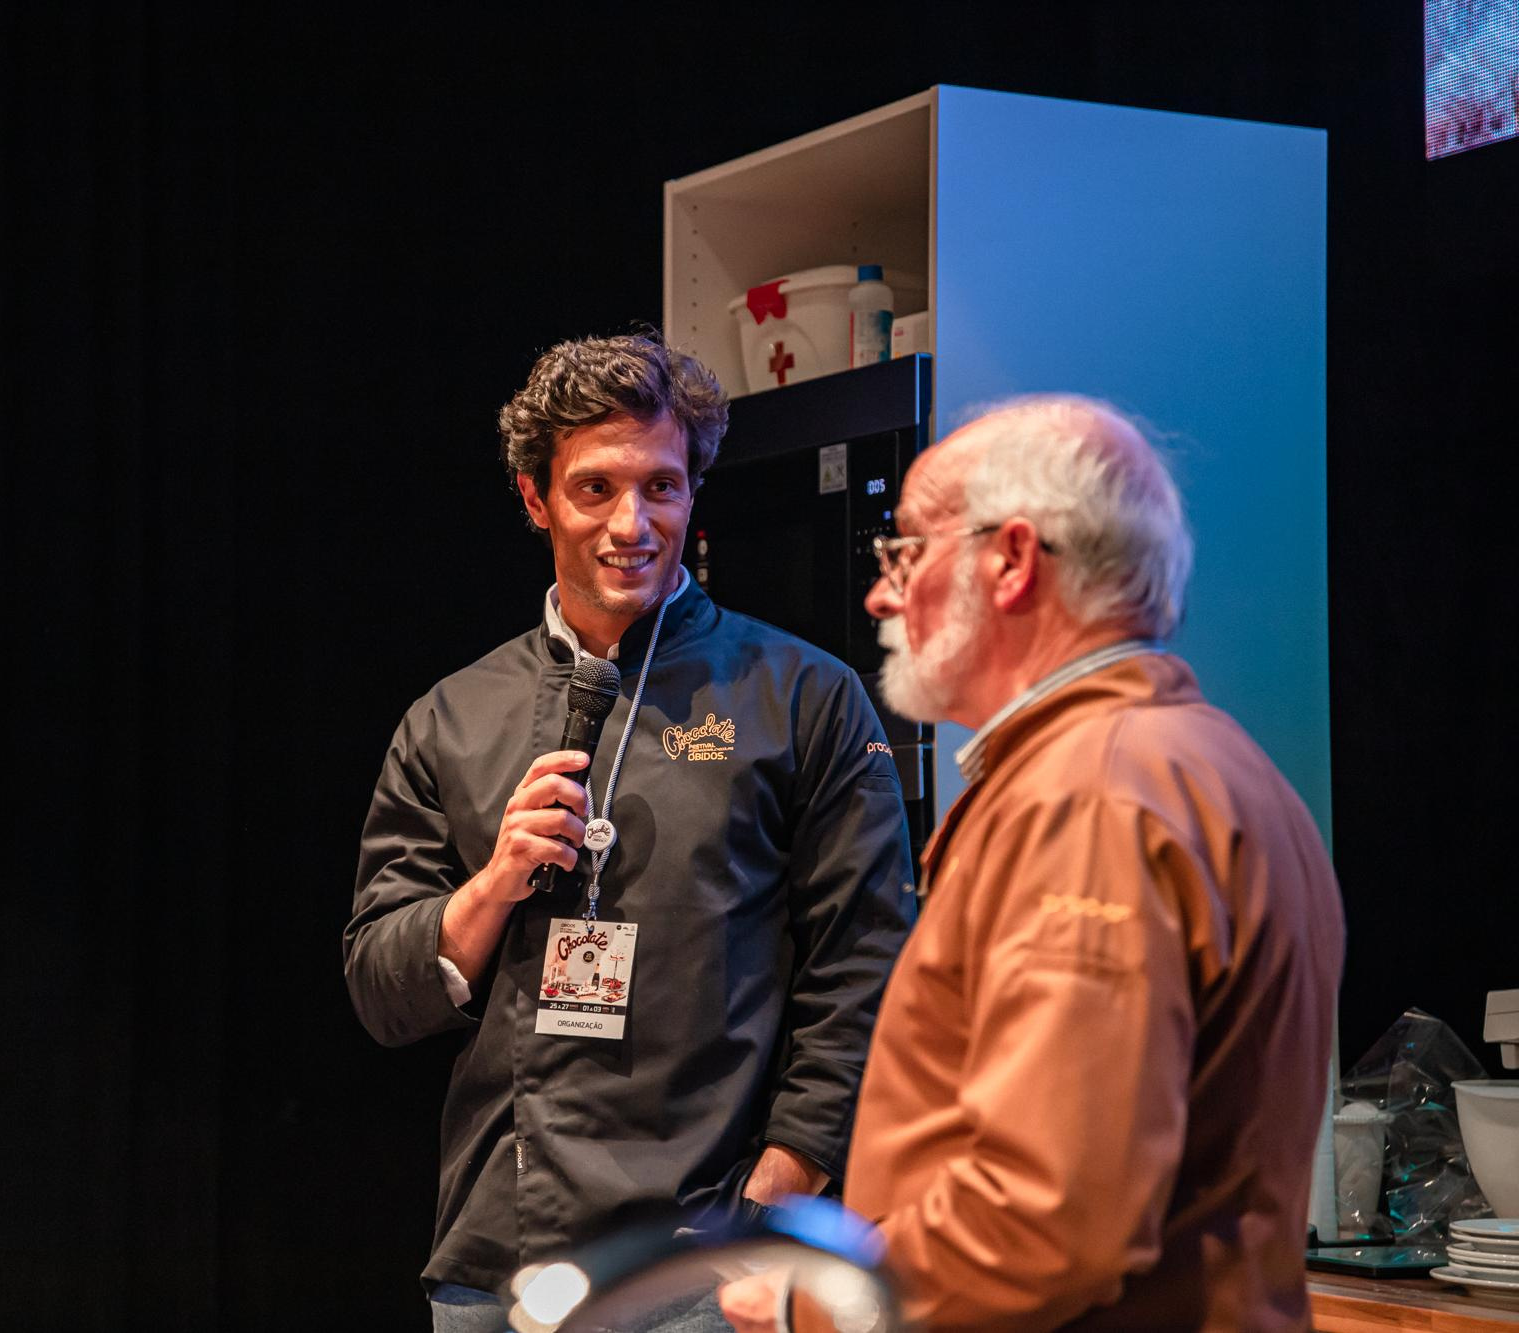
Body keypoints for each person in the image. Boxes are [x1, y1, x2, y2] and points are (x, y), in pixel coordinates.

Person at [724, 394, 1343, 1331]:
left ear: (1010, 561)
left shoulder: (1086, 796)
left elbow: (1048, 1214)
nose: (881, 594)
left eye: (908, 552)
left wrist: (822, 1299)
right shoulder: (1210, 761)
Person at [344, 333, 918, 1330]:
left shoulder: (801, 697)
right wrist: (492, 885)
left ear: (694, 492)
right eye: (594, 489)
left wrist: (779, 1192)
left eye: (661, 487)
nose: (631, 523)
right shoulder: (451, 716)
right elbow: (378, 991)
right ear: (534, 499)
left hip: (705, 1253)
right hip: (498, 1252)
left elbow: (864, 963)